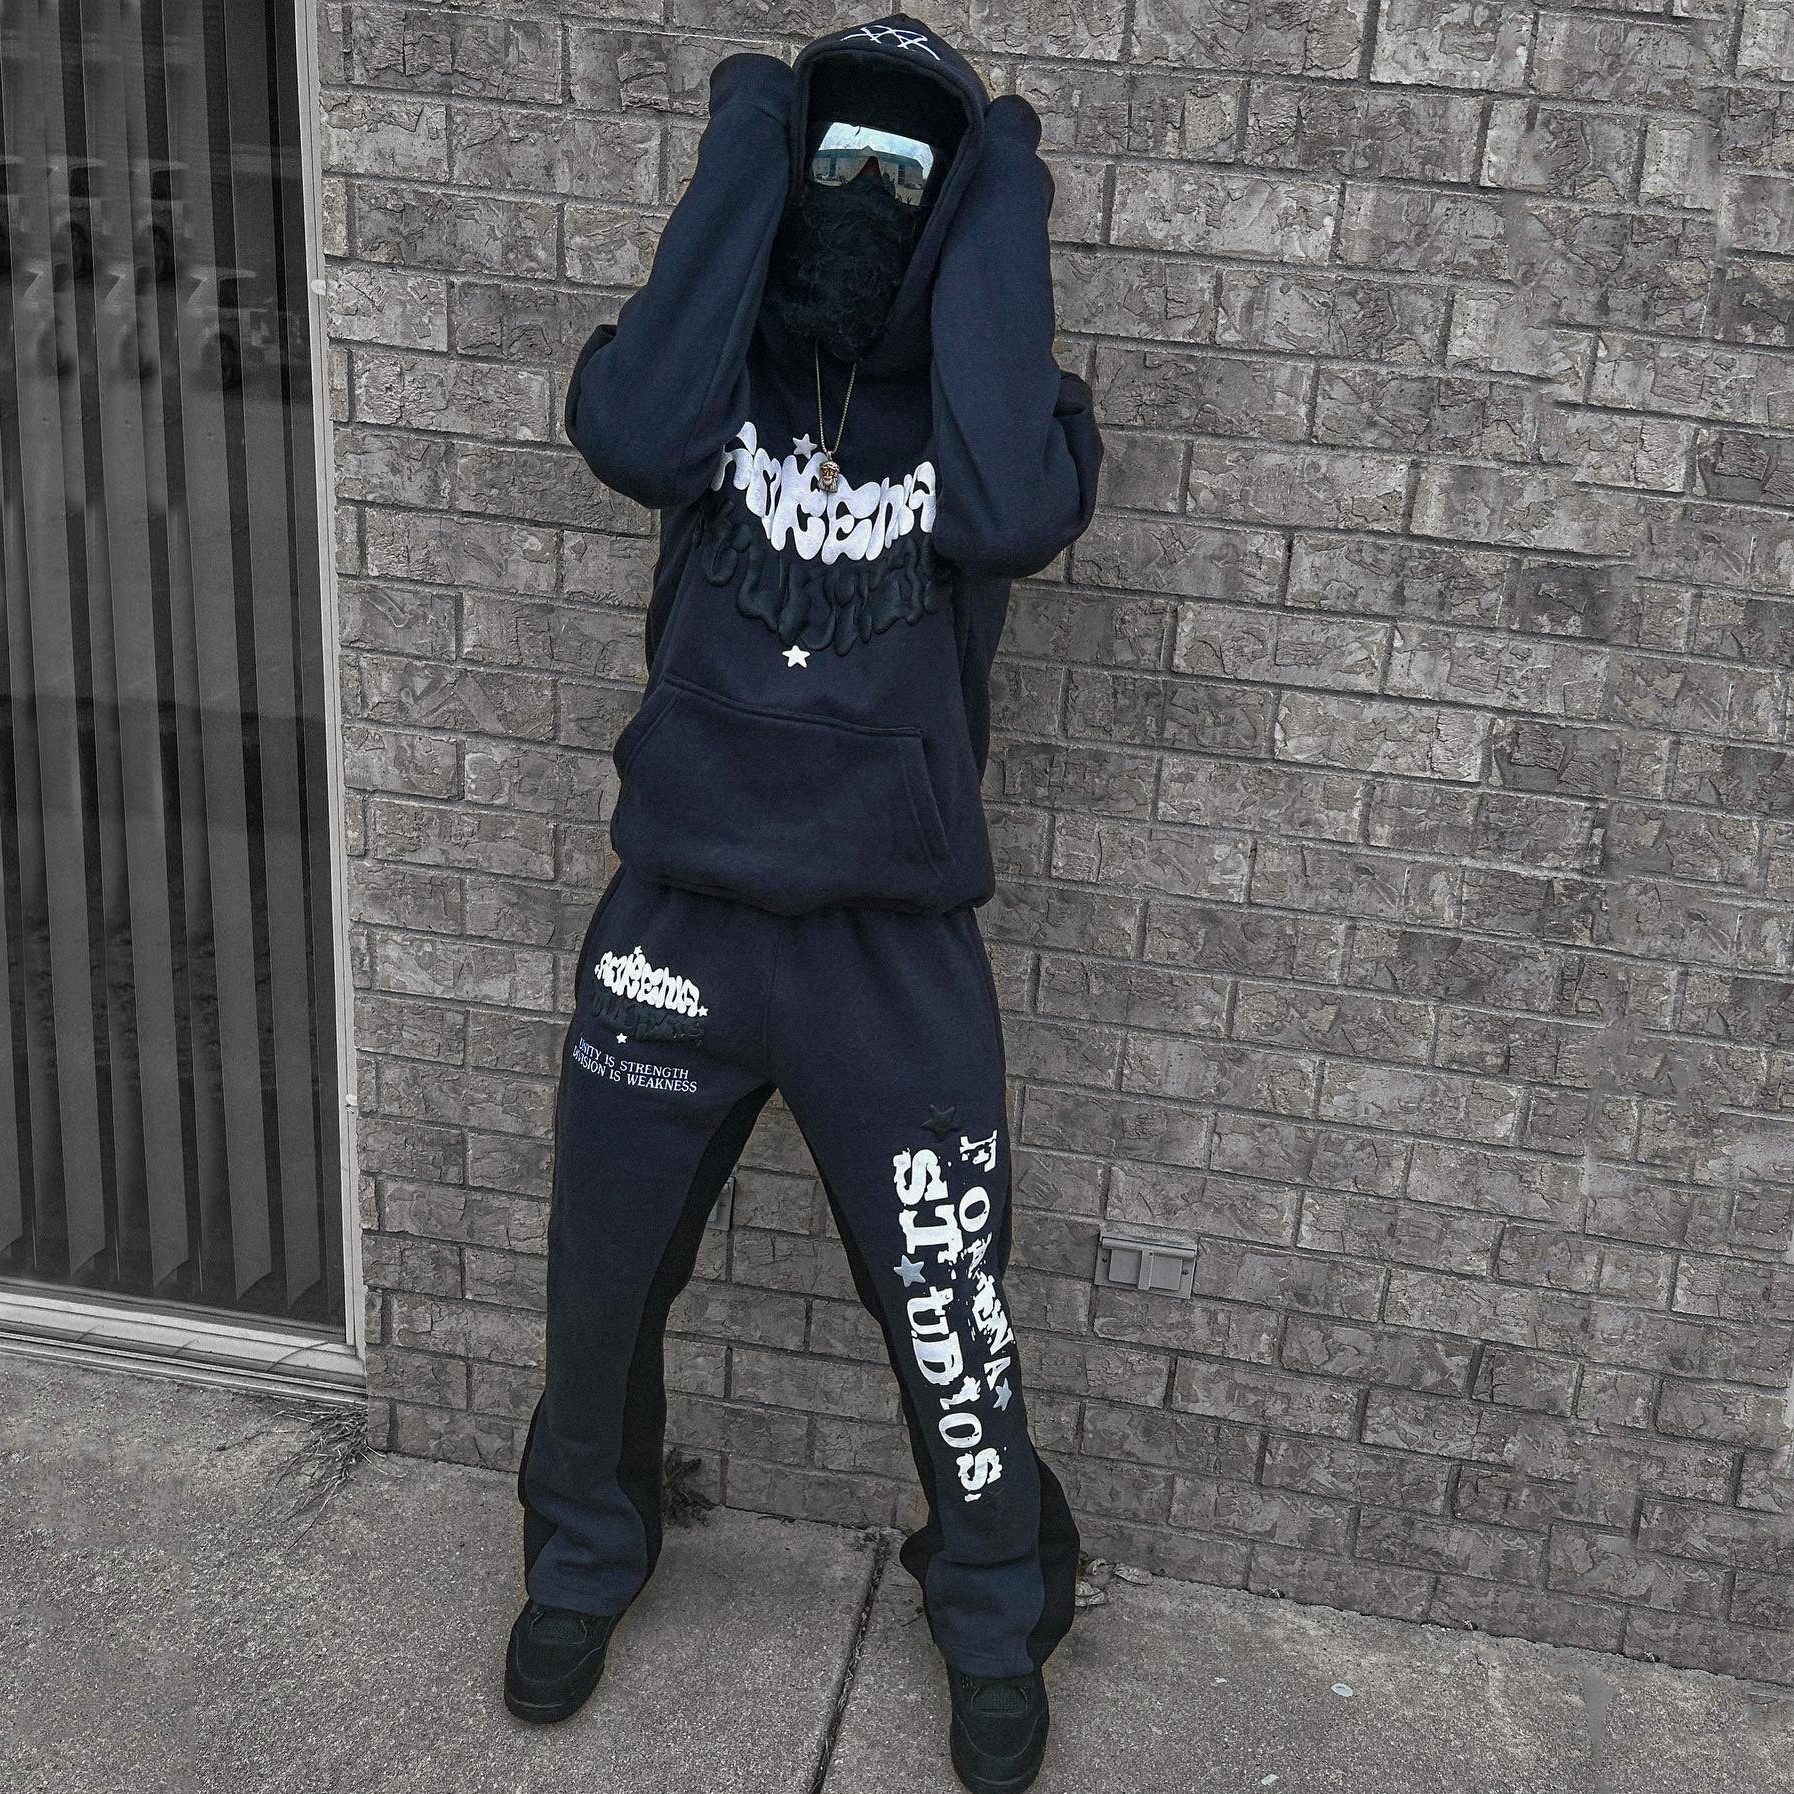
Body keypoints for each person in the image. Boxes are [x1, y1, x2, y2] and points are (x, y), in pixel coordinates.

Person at [504, 13, 1102, 1792]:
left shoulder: (999, 422)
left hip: (886, 950)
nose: (864, 191)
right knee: (600, 1291)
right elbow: (627, 430)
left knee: (948, 1309)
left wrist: (1003, 180)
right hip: (677, 922)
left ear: (954, 210)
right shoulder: (704, 383)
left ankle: (991, 1613)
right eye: (833, 157)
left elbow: (1010, 514)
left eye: (904, 172)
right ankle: (583, 1557)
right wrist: (749, 133)